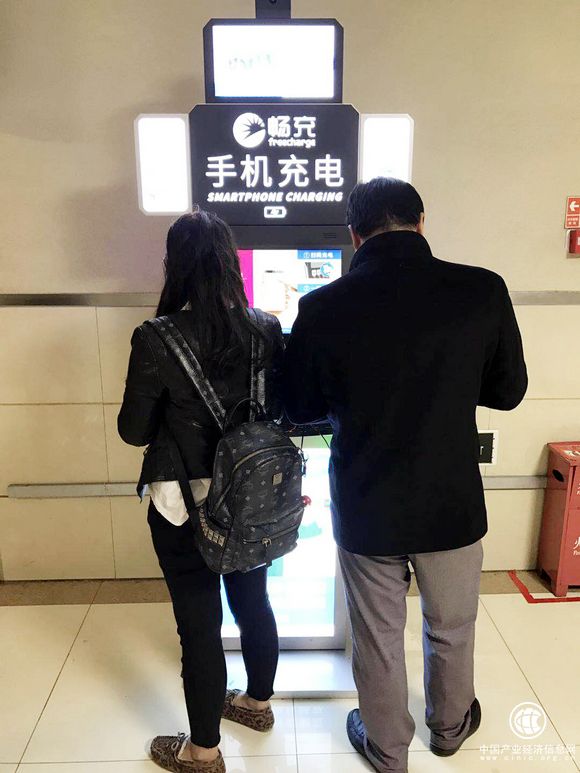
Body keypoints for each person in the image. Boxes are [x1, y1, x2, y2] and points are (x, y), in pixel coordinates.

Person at [283, 178, 528, 773]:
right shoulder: (481, 289)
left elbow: (298, 407)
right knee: (453, 626)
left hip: (366, 501)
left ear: (354, 235)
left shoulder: (322, 306)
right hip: (451, 499)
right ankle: (450, 728)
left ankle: (387, 749)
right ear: (421, 223)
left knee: (377, 635)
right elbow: (508, 391)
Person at [118, 209, 284, 773]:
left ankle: (203, 752)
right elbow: (276, 408)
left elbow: (133, 430)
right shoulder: (265, 329)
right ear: (229, 262)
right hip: (251, 500)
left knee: (199, 623)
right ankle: (256, 705)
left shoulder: (156, 336)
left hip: (182, 505)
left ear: (176, 265)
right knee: (254, 601)